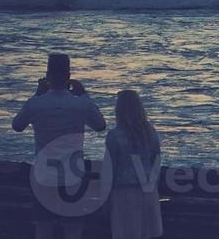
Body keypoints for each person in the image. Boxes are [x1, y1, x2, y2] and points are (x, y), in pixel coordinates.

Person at [12, 53, 107, 239]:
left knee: (43, 227)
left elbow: (17, 126)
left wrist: (37, 93)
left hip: (43, 174)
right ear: (69, 77)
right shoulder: (81, 104)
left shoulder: (36, 104)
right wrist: (84, 94)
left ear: (47, 76)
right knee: (72, 228)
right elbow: (100, 126)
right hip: (73, 173)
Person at [106, 90, 165, 239]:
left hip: (125, 192)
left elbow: (110, 170)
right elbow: (156, 161)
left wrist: (105, 197)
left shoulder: (115, 136)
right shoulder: (150, 133)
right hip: (149, 192)